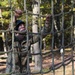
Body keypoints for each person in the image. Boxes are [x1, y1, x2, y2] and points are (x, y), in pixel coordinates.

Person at [5, 9, 51, 74]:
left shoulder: (28, 40)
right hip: (12, 71)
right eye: (20, 26)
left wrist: (47, 22)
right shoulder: (11, 40)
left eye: (23, 25)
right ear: (16, 30)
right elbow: (10, 30)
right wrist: (15, 17)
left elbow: (42, 34)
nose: (23, 26)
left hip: (25, 71)